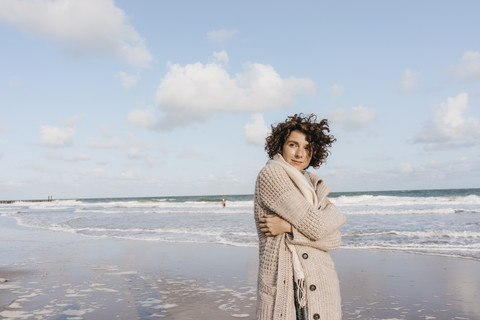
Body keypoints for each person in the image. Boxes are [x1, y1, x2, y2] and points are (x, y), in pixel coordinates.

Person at [254, 114, 346, 320]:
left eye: (307, 147)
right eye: (293, 144)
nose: (300, 154)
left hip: (320, 279)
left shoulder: (312, 183)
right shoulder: (272, 174)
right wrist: (332, 214)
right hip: (285, 282)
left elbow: (334, 240)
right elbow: (316, 228)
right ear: (280, 146)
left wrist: (289, 228)